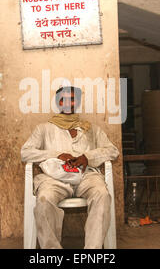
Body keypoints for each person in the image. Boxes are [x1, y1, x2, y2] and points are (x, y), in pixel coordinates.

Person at [21, 86, 119, 249]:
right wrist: (56, 154)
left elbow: (112, 151)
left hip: (86, 176)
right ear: (58, 102)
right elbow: (25, 153)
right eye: (63, 99)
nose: (68, 103)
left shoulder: (90, 129)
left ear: (78, 102)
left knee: (102, 195)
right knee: (44, 200)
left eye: (72, 99)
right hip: (54, 179)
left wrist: (87, 157)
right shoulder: (44, 128)